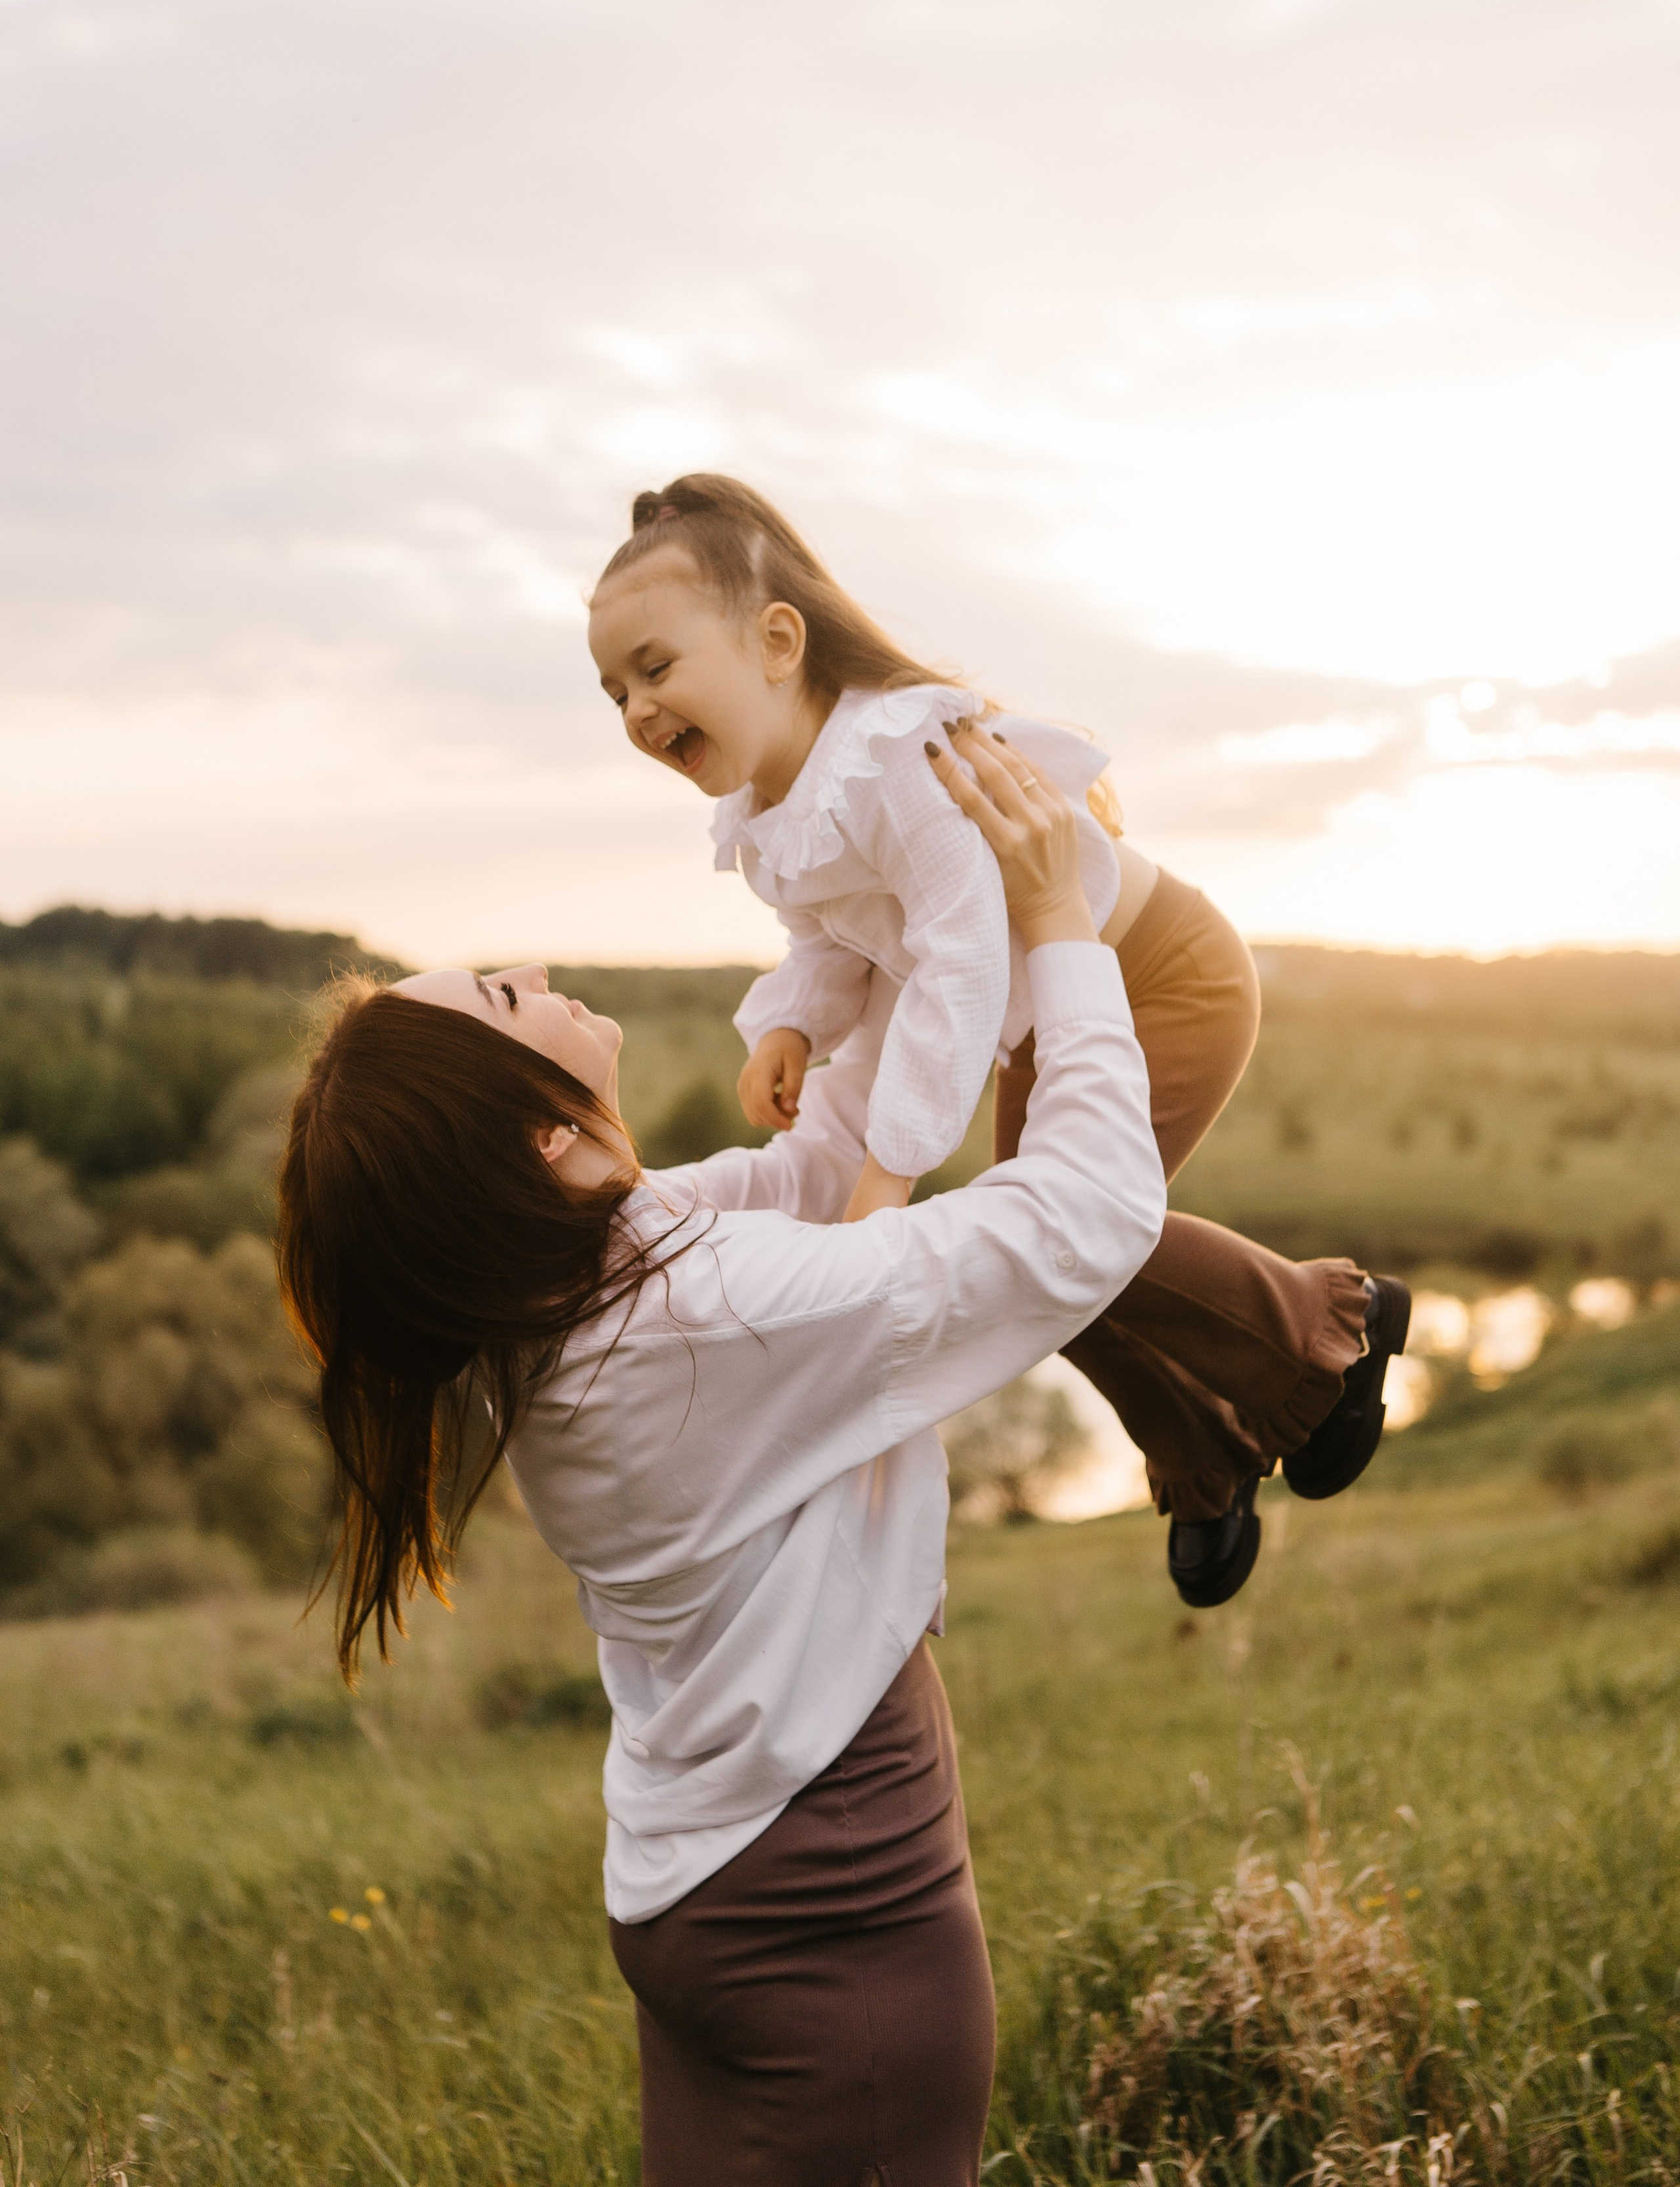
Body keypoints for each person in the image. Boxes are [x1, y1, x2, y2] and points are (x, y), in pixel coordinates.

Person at [278, 736, 1164, 2186]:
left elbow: (824, 1170)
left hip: (696, 1889)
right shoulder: (700, 1309)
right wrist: (1060, 926)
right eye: (507, 995)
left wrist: (922, 920)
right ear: (551, 1141)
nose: (536, 968)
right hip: (830, 1904)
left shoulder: (585, 1287)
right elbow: (1085, 1214)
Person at [587, 473, 1410, 1608]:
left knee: (1071, 1239)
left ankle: (1331, 1331)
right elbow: (835, 939)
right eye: (614, 689)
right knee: (1053, 1265)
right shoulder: (778, 810)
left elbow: (962, 966)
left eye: (658, 668)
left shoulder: (895, 763)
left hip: (1161, 975)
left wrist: (892, 1170)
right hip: (1059, 1011)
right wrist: (789, 1020)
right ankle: (1207, 1460)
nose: (635, 709)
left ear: (778, 641)